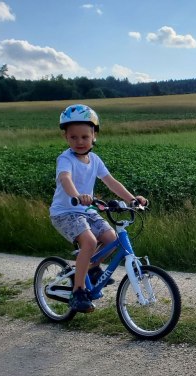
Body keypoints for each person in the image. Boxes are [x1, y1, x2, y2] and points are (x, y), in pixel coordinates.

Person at [49, 104, 147, 313]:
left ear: (94, 135)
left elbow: (111, 182)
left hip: (87, 210)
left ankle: (92, 269)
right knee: (90, 242)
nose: (79, 142)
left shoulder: (95, 160)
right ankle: (78, 291)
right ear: (65, 137)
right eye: (73, 137)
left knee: (112, 238)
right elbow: (65, 178)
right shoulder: (65, 159)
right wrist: (77, 195)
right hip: (65, 213)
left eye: (84, 136)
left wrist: (132, 199)